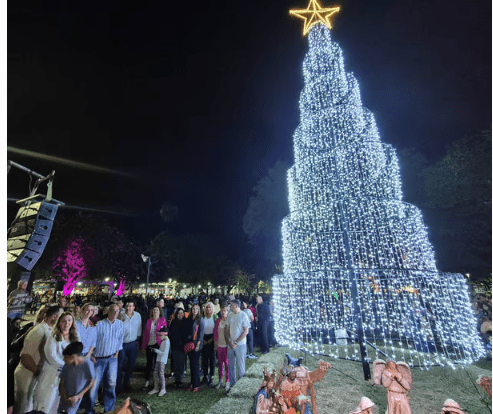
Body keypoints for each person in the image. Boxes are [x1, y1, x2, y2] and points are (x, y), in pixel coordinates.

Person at [13, 305, 62, 414]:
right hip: (27, 376)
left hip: (34, 376)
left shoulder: (50, 330)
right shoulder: (38, 331)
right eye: (60, 316)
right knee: (23, 409)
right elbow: (26, 357)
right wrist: (41, 373)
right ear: (54, 317)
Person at [33, 311, 79, 414]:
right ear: (58, 323)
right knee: (46, 402)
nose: (66, 323)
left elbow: (77, 354)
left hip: (67, 376)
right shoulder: (53, 337)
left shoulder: (76, 337)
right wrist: (66, 366)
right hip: (52, 373)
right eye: (63, 321)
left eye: (69, 320)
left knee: (58, 404)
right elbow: (51, 356)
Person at [86, 304, 125, 414]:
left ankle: (109, 409)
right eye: (113, 311)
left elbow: (120, 340)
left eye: (117, 311)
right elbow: (92, 340)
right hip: (99, 359)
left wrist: (117, 353)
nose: (115, 313)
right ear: (108, 312)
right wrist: (92, 355)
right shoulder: (100, 324)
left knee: (111, 384)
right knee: (94, 386)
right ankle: (89, 410)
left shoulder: (120, 324)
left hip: (112, 358)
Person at [58, 341, 95, 414]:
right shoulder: (67, 365)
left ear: (73, 356)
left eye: (66, 357)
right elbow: (62, 381)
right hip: (65, 398)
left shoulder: (87, 364)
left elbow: (92, 382)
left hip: (75, 398)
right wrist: (64, 396)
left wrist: (80, 395)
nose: (63, 359)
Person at [117, 300, 142, 393]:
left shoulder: (137, 316)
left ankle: (126, 383)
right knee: (120, 364)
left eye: (130, 306)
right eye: (127, 306)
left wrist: (138, 338)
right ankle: (118, 385)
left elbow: (139, 327)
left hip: (133, 343)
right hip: (122, 343)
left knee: (131, 364)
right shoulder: (121, 315)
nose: (128, 308)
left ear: (134, 307)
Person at [224, 299, 250, 390]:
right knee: (231, 365)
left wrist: (236, 342)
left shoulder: (243, 315)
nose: (230, 307)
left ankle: (241, 387)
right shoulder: (230, 315)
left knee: (241, 365)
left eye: (231, 305)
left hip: (240, 344)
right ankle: (232, 385)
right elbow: (227, 329)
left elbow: (246, 331)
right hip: (231, 344)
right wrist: (230, 341)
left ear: (237, 306)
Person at [142, 306, 167, 388]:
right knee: (149, 363)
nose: (155, 311)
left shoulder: (162, 320)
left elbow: (165, 332)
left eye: (157, 310)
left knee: (158, 363)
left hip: (158, 345)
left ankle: (158, 381)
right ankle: (147, 380)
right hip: (150, 344)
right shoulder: (149, 321)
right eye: (154, 310)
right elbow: (145, 334)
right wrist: (144, 346)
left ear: (160, 312)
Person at [186, 303, 205, 392]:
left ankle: (196, 384)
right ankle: (192, 383)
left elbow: (201, 334)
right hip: (189, 344)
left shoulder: (200, 319)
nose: (195, 311)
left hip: (196, 344)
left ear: (199, 310)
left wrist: (198, 344)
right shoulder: (189, 318)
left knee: (195, 364)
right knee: (191, 364)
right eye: (193, 309)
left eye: (197, 309)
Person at [168, 307, 188, 388]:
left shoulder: (185, 322)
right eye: (179, 313)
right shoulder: (174, 322)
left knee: (182, 362)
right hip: (175, 345)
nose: (181, 315)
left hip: (183, 346)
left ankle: (180, 379)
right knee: (175, 362)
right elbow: (171, 333)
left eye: (182, 313)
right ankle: (177, 379)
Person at [148, 326, 170, 397]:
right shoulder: (164, 341)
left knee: (161, 374)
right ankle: (156, 388)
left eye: (160, 335)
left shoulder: (166, 342)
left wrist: (156, 350)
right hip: (158, 360)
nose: (159, 337)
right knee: (155, 373)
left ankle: (163, 389)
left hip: (162, 361)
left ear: (165, 334)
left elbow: (164, 353)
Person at [201, 302, 218, 387]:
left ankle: (211, 376)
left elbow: (217, 329)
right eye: (207, 307)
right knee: (204, 359)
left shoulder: (215, 317)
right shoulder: (202, 318)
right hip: (203, 339)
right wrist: (202, 340)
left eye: (210, 308)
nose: (208, 309)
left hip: (212, 339)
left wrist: (212, 340)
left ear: (212, 309)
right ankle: (205, 375)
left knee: (212, 359)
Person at [214, 303, 230, 391]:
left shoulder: (229, 321)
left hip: (227, 346)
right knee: (220, 363)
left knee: (227, 364)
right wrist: (216, 343)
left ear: (227, 311)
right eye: (222, 310)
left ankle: (227, 380)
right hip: (219, 345)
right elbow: (215, 333)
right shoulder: (218, 321)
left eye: (225, 311)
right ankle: (220, 380)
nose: (223, 312)